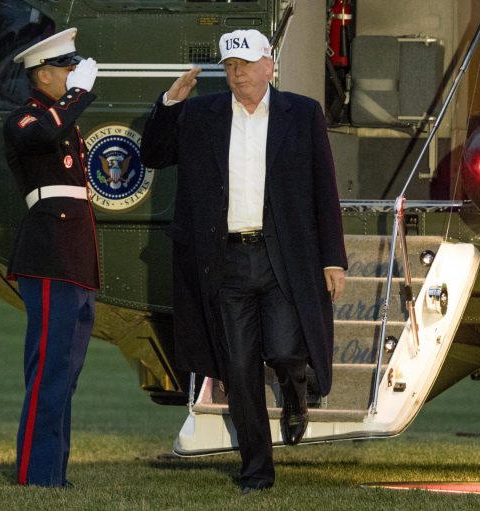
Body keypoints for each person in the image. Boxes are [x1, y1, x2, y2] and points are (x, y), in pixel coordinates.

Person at [140, 29, 348, 494]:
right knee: (239, 368)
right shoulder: (200, 114)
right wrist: (170, 102)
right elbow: (152, 153)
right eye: (231, 66)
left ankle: (297, 393)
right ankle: (257, 470)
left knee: (284, 350)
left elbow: (324, 190)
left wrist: (333, 259)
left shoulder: (303, 113)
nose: (238, 74)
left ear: (269, 65)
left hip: (282, 261)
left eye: (247, 65)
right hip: (226, 261)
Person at [3, 27, 100, 488]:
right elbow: (42, 135)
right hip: (48, 255)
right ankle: (37, 475)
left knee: (66, 372)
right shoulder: (25, 119)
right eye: (66, 68)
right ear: (42, 74)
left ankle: (53, 472)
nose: (73, 74)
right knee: (48, 371)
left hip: (74, 258)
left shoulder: (62, 119)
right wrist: (80, 93)